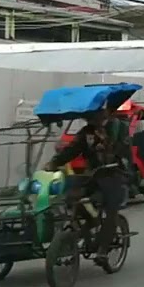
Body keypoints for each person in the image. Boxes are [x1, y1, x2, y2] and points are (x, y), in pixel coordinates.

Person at [45, 105, 130, 266]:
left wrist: (113, 154)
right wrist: (54, 163)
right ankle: (79, 231)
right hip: (93, 176)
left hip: (114, 175)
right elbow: (71, 151)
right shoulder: (86, 133)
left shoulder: (118, 128)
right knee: (72, 197)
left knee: (110, 210)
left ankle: (103, 251)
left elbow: (124, 151)